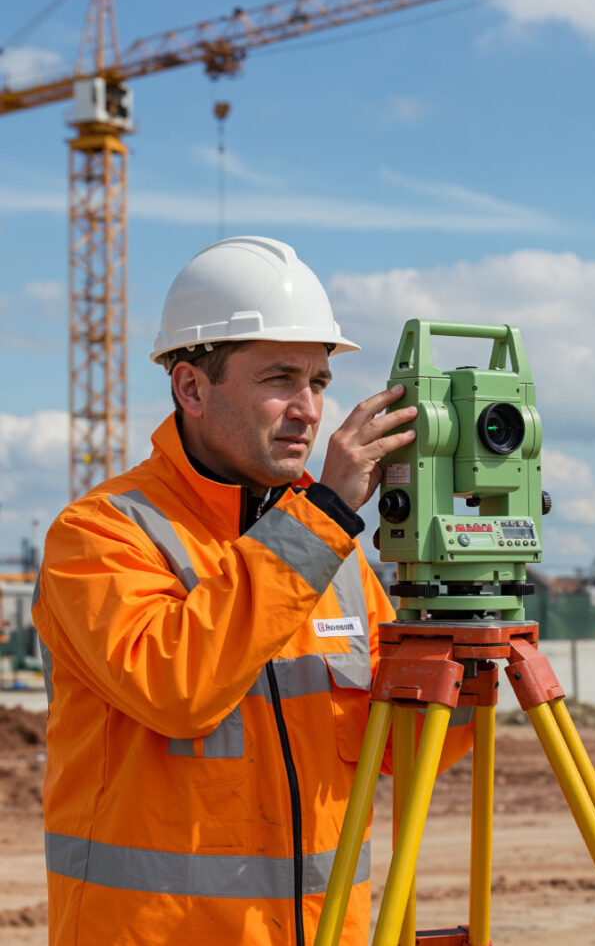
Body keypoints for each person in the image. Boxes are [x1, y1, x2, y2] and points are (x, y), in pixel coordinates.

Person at [33, 236, 472, 946]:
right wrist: (324, 515)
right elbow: (179, 688)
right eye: (280, 378)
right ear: (191, 388)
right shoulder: (100, 535)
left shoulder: (332, 555)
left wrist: (466, 643)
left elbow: (396, 747)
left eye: (320, 382)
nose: (307, 408)